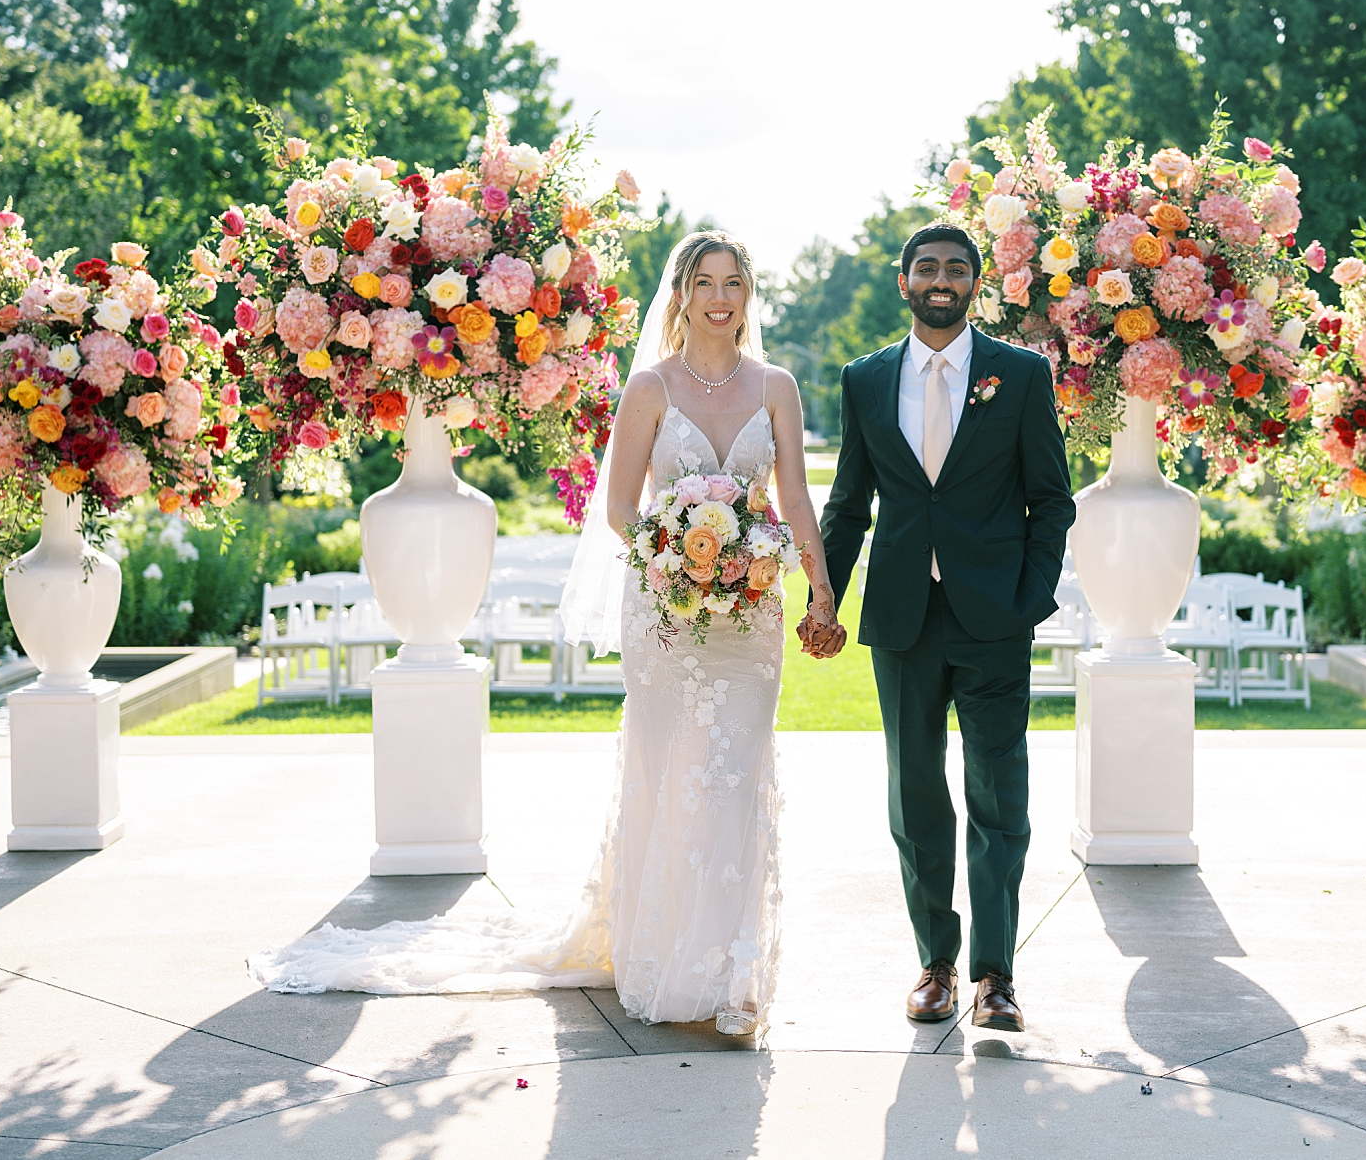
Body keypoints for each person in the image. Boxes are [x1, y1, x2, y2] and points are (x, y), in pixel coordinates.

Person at [250, 232, 837, 1040]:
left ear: (749, 293)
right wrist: (680, 567)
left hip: (750, 621)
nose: (721, 297)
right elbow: (621, 510)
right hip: (668, 613)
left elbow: (796, 501)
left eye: (734, 282)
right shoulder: (650, 388)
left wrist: (821, 592)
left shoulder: (777, 386)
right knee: (673, 777)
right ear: (682, 294)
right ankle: (665, 959)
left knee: (735, 778)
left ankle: (736, 974)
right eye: (705, 281)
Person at [807, 222, 1075, 1033]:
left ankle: (997, 977)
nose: (941, 279)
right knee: (915, 792)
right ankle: (936, 962)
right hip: (902, 619)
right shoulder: (865, 379)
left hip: (994, 618)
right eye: (927, 267)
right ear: (904, 281)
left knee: (999, 795)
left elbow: (1052, 500)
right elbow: (849, 505)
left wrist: (1028, 597)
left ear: (974, 283)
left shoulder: (1020, 376)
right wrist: (826, 597)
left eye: (956, 268)